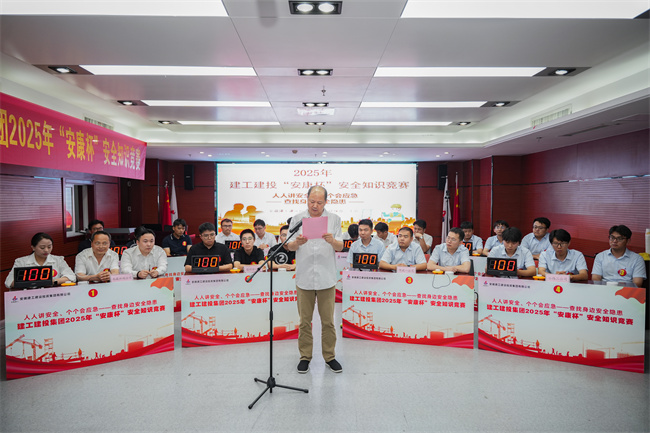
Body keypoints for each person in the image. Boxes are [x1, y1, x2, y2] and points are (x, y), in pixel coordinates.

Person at [286, 185, 343, 374]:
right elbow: (288, 246)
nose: (315, 205)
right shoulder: (297, 219)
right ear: (307, 199)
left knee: (328, 322)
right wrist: (297, 243)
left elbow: (340, 246)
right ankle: (305, 357)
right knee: (304, 321)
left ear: (326, 201)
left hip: (326, 277)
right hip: (305, 277)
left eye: (319, 202)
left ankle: (330, 356)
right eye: (312, 201)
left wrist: (332, 241)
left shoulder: (334, 219)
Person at [5, 232, 76, 288]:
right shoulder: (21, 262)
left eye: (49, 247)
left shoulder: (58, 260)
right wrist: (33, 283)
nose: (46, 250)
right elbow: (8, 282)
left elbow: (72, 277)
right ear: (33, 247)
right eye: (42, 247)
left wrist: (53, 281)